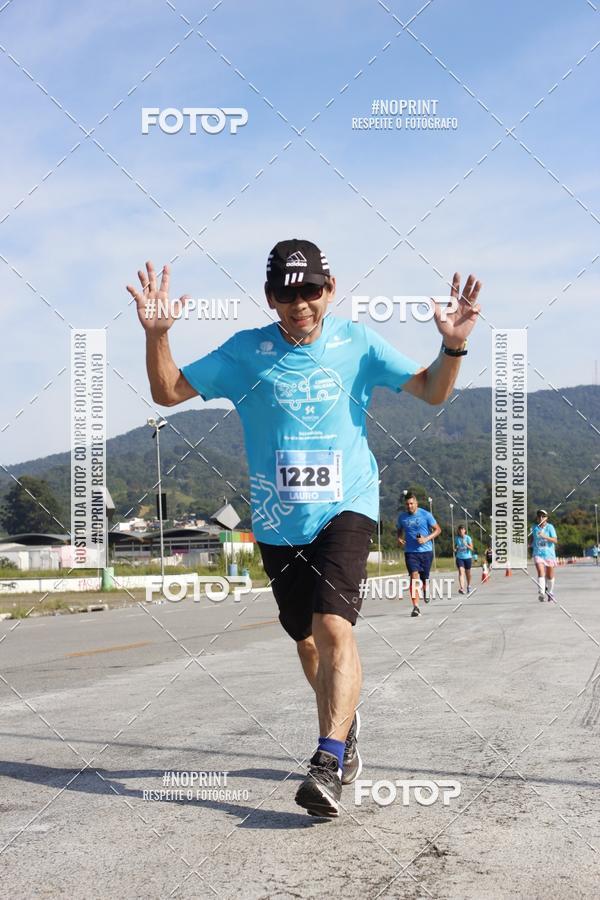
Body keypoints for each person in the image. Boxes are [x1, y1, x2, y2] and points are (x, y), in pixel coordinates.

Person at [128, 239, 482, 817]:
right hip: (277, 522)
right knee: (308, 641)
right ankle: (345, 726)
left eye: (311, 291)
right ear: (270, 297)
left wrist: (453, 345)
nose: (301, 305)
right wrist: (157, 335)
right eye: (288, 294)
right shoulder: (246, 352)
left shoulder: (358, 343)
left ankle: (327, 760)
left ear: (330, 289)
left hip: (347, 506)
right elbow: (168, 392)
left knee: (334, 625)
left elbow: (432, 390)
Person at [396, 493, 441, 616]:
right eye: (407, 504)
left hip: (426, 552)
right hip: (410, 552)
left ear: (416, 503)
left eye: (411, 503)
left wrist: (426, 539)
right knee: (414, 576)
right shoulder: (402, 517)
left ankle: (426, 588)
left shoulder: (426, 515)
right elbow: (399, 529)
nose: (409, 506)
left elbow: (438, 530)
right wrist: (399, 538)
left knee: (424, 577)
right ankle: (416, 607)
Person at [530, 509, 558, 602]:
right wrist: (528, 544)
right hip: (538, 553)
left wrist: (545, 536)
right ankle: (541, 592)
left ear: (546, 518)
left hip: (549, 554)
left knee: (550, 576)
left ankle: (550, 592)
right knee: (540, 572)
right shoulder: (534, 527)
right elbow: (532, 539)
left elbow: (555, 540)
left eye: (543, 516)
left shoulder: (550, 527)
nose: (541, 518)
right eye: (539, 516)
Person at [454, 524, 474, 594]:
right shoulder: (456, 538)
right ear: (458, 531)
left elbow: (472, 548)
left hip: (467, 557)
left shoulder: (468, 538)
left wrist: (466, 545)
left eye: (462, 530)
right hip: (459, 557)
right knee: (461, 571)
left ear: (465, 530)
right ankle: (462, 588)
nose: (461, 531)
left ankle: (468, 586)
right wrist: (455, 549)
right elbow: (456, 546)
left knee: (468, 573)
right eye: (460, 530)